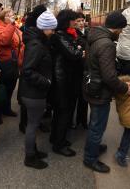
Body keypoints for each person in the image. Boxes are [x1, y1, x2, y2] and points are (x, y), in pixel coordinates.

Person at [83, 11, 130, 173]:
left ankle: (93, 147)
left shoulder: (94, 36)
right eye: (122, 29)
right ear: (116, 28)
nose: (122, 33)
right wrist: (125, 88)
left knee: (94, 123)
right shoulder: (107, 44)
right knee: (97, 126)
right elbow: (109, 76)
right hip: (100, 91)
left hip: (92, 86)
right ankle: (90, 158)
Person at [19, 10, 57, 169]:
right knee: (33, 126)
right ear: (44, 28)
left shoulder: (37, 41)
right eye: (52, 29)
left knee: (32, 124)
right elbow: (27, 70)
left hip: (32, 92)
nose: (53, 32)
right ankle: (30, 157)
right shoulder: (37, 45)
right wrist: (46, 82)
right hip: (33, 93)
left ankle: (33, 151)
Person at [50, 9, 84, 157]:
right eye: (73, 20)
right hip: (63, 80)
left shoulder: (65, 34)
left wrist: (78, 48)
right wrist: (80, 50)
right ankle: (59, 144)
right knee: (64, 111)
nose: (76, 22)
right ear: (67, 21)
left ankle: (56, 138)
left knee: (61, 111)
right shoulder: (60, 35)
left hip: (66, 78)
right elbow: (74, 53)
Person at [18, 5, 48, 133]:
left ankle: (30, 123)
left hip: (32, 64)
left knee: (29, 102)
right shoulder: (32, 28)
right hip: (32, 64)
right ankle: (25, 124)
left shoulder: (32, 25)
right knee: (29, 101)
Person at [0, 8, 24, 122]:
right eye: (9, 15)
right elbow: (4, 41)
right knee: (2, 88)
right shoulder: (0, 28)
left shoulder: (14, 27)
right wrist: (11, 25)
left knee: (10, 88)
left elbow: (21, 42)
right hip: (5, 63)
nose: (12, 17)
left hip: (15, 62)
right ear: (3, 17)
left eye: (12, 15)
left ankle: (6, 109)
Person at [72, 12, 89, 129]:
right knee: (76, 96)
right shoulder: (73, 34)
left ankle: (82, 120)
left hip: (87, 68)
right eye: (78, 21)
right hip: (77, 69)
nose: (81, 23)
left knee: (85, 97)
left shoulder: (88, 32)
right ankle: (74, 121)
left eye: (82, 20)